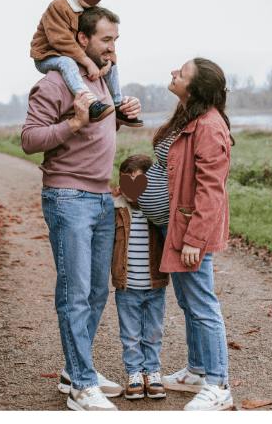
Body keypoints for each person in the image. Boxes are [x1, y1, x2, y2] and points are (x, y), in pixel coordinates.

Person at [20, 5, 142, 411]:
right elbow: (29, 139)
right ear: (83, 41)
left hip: (101, 197)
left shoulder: (102, 80)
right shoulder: (56, 84)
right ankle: (82, 388)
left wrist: (124, 115)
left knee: (94, 293)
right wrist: (72, 123)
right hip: (68, 198)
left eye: (116, 41)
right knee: (74, 294)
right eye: (106, 40)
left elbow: (100, 128)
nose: (112, 49)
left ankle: (76, 370)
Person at [150, 58, 235, 411]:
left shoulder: (209, 127)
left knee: (202, 305)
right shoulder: (188, 117)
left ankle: (218, 385)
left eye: (180, 74)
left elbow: (211, 190)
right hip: (176, 227)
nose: (173, 73)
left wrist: (194, 240)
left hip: (189, 231)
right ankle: (198, 370)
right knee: (188, 302)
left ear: (195, 87)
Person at [29, 0, 142, 127]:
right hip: (48, 55)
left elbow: (104, 39)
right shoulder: (58, 7)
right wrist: (88, 62)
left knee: (111, 63)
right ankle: (90, 103)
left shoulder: (93, 11)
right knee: (65, 62)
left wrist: (108, 62)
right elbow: (60, 40)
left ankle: (117, 105)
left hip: (75, 55)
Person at [110, 153, 168, 401]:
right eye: (127, 181)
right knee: (130, 333)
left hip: (155, 284)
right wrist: (113, 199)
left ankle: (152, 372)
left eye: (140, 181)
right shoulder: (119, 210)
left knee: (153, 331)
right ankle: (134, 373)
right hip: (128, 286)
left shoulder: (156, 213)